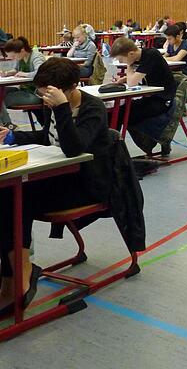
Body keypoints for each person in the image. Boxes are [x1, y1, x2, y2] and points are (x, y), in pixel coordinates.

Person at [0, 58, 113, 313]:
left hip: (85, 185)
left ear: (71, 87)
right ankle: (13, 272)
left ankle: (20, 273)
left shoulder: (92, 108)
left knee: (17, 197)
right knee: (6, 192)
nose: (43, 97)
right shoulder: (53, 106)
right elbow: (50, 137)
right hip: (57, 178)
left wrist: (62, 108)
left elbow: (74, 148)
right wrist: (13, 135)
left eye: (48, 92)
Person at [109, 37, 176, 130]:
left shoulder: (151, 55)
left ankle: (114, 141)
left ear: (131, 54)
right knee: (113, 112)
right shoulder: (140, 56)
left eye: (121, 59)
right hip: (150, 97)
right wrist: (124, 79)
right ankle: (112, 141)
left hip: (162, 101)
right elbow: (142, 74)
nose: (121, 62)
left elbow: (132, 83)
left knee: (118, 114)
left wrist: (129, 65)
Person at [0, 37, 46, 128]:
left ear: (22, 50)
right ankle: (7, 124)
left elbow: (41, 73)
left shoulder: (36, 56)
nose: (13, 58)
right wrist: (7, 73)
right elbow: (16, 70)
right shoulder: (20, 57)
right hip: (24, 90)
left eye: (14, 56)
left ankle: (7, 125)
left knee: (0, 99)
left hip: (35, 93)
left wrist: (25, 74)